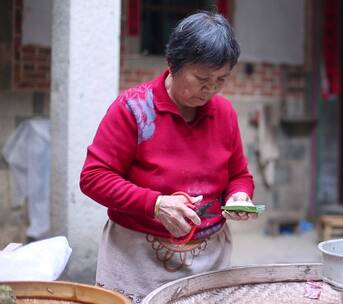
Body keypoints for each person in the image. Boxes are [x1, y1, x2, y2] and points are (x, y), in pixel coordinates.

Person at [80, 11, 257, 303]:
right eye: (202, 78)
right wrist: (157, 204)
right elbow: (93, 178)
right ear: (173, 64)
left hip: (209, 259)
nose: (210, 89)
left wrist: (239, 196)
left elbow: (239, 175)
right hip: (136, 259)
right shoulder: (134, 109)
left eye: (220, 79)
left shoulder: (224, 113)